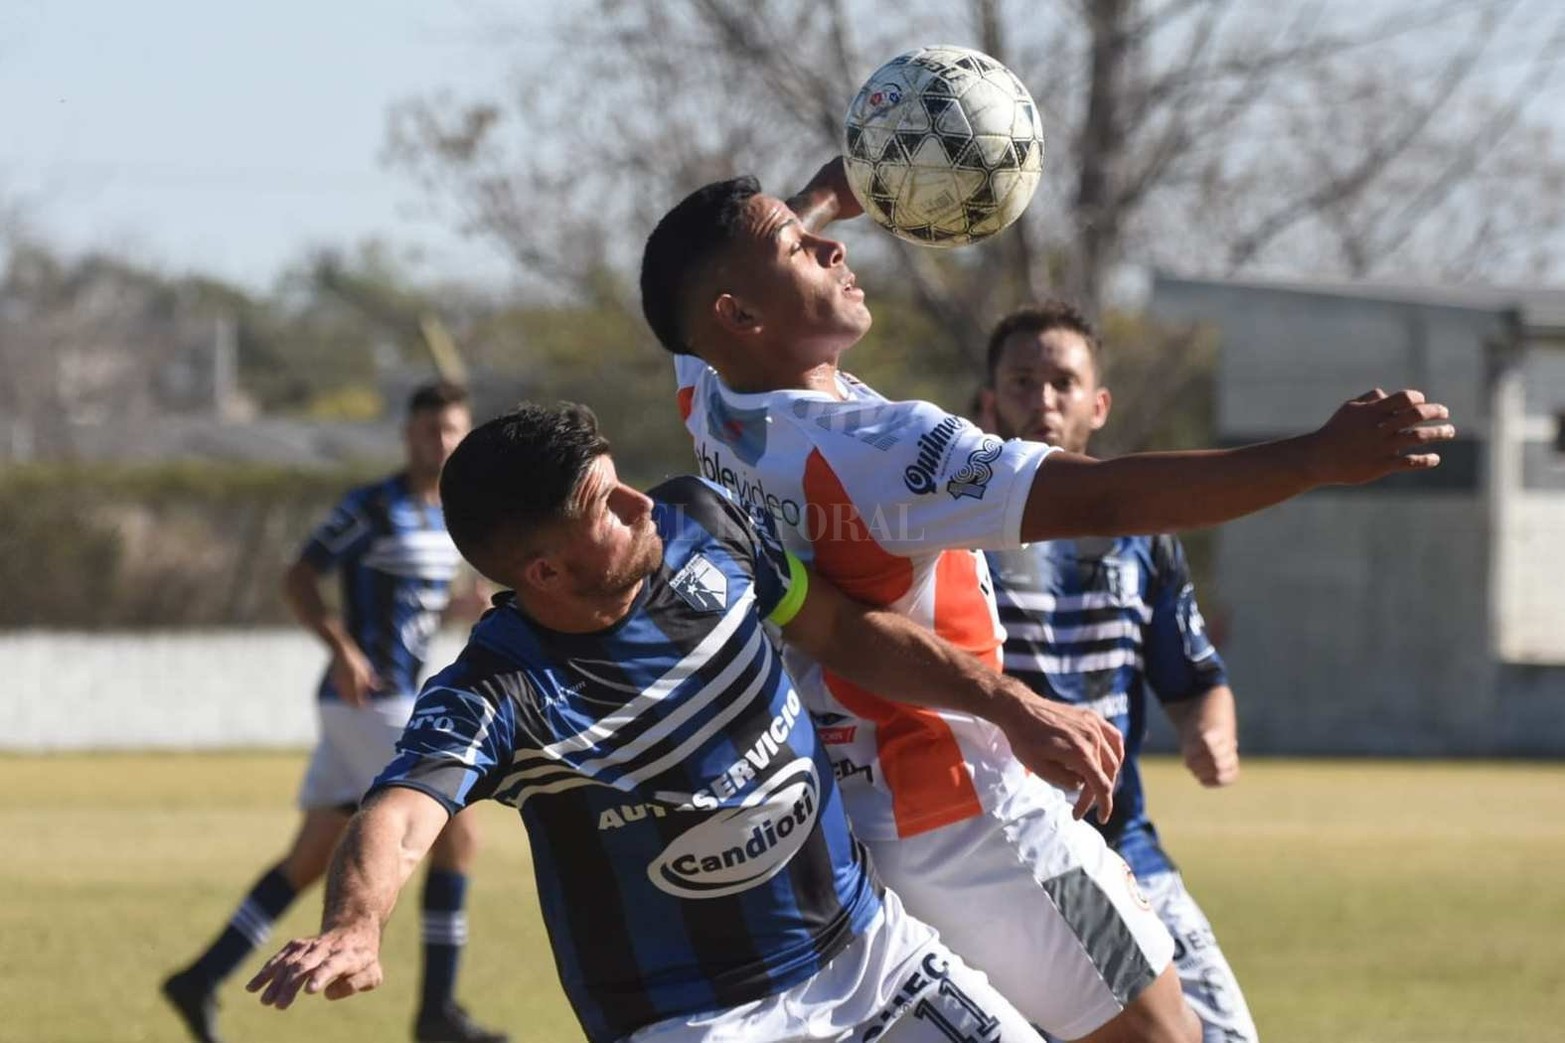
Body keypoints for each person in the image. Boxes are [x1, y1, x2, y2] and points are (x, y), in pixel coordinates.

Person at [639, 166, 1454, 1043]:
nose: (832, 250)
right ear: (740, 315)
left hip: (847, 823)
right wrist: (1313, 459)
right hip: (973, 814)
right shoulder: (880, 450)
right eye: (800, 250)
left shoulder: (711, 398)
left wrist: (818, 202)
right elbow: (1106, 500)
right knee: (1162, 1035)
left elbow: (727, 287)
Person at [244, 402, 1125, 1043]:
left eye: (620, 476)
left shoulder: (703, 524)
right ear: (544, 570)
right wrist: (357, 923)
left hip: (868, 955)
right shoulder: (498, 687)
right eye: (605, 503)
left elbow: (840, 631)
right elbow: (398, 814)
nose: (637, 501)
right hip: (692, 1022)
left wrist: (1011, 703)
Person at [162, 382, 506, 1043]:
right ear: (408, 434)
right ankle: (437, 1013)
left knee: (312, 853)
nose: (441, 441)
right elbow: (298, 577)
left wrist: (460, 610)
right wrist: (343, 647)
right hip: (369, 699)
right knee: (456, 834)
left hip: (386, 695)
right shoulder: (372, 506)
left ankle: (200, 977)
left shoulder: (449, 516)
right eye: (430, 429)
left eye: (453, 430)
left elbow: (414, 605)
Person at [975, 301, 1259, 1043]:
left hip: (1124, 841)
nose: (1042, 399)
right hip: (1002, 848)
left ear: (1096, 405)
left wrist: (1210, 736)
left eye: (1062, 382)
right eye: (1021, 381)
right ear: (987, 402)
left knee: (1225, 1034)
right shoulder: (950, 534)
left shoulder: (1143, 537)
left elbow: (1195, 677)